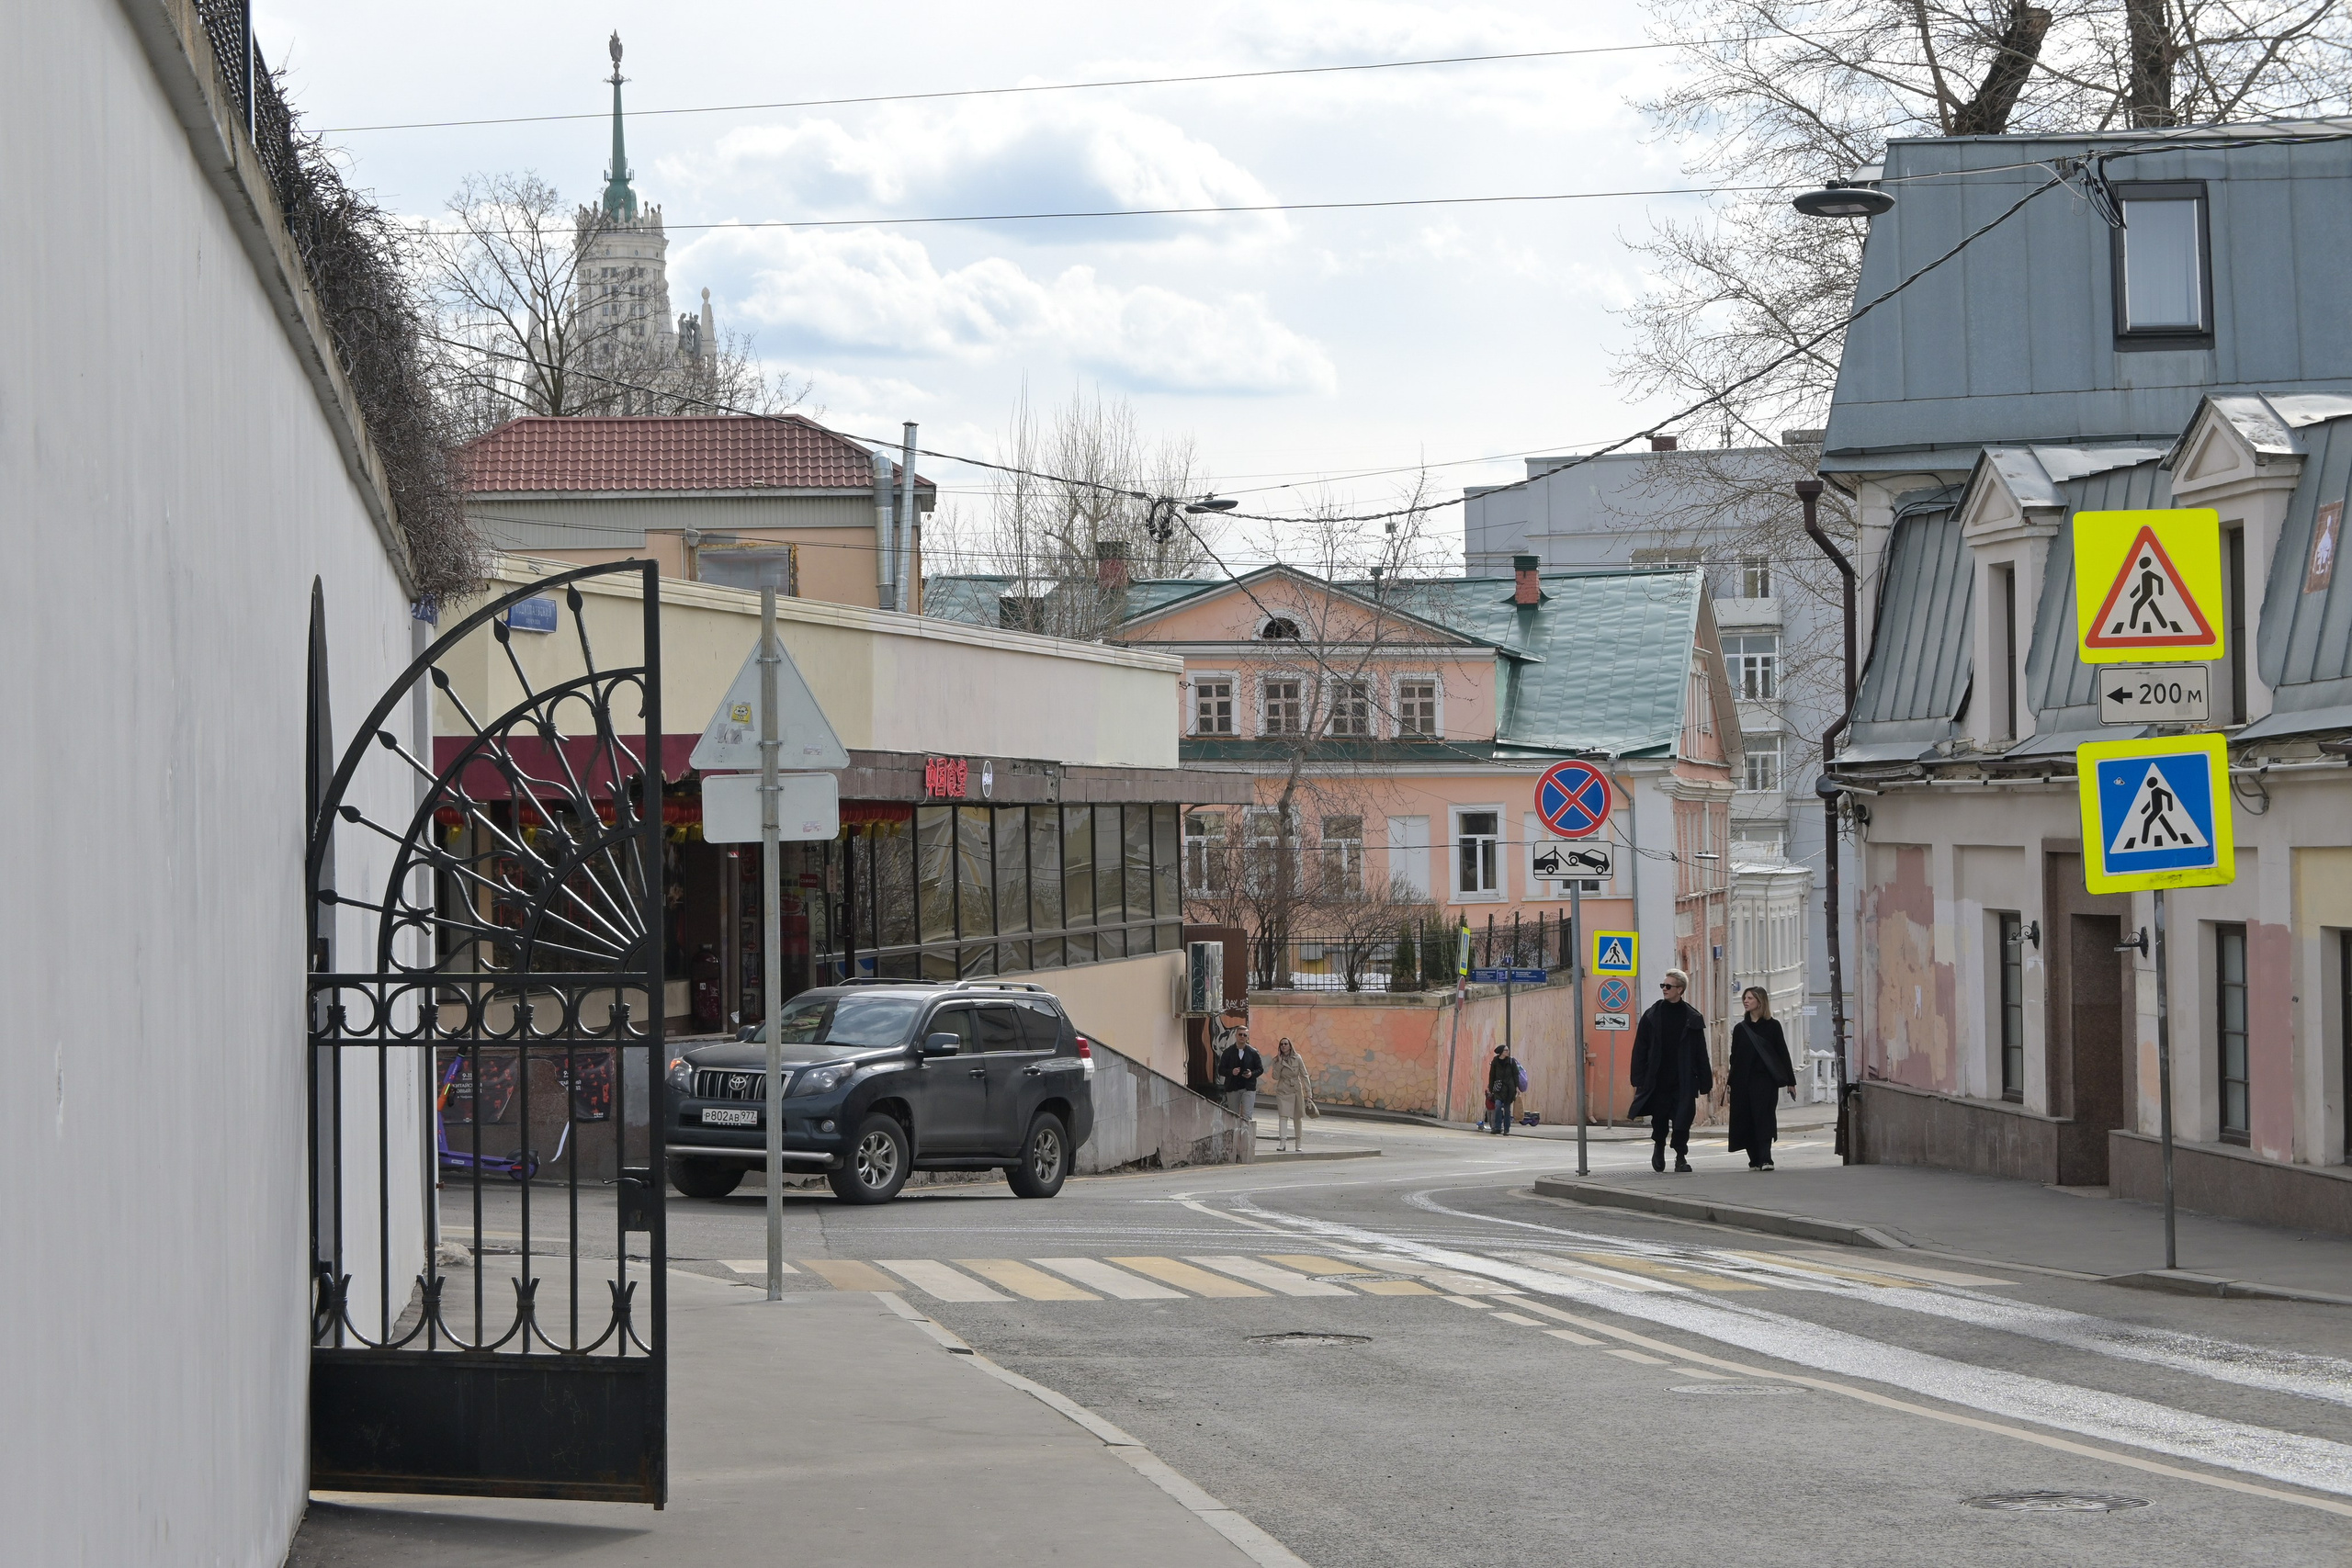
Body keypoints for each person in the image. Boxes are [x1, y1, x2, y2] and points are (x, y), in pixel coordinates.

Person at [1629, 969, 1712, 1173]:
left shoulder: (1692, 1018)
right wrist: (1638, 1077)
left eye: (1668, 986)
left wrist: (1705, 1081)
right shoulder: (1652, 1015)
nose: (1664, 990)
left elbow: (1701, 1052)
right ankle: (1659, 1146)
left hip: (1684, 1078)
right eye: (1663, 986)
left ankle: (1680, 1157)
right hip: (1658, 1078)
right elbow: (1640, 1048)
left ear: (1680, 990)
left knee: (1683, 1118)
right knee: (1660, 1117)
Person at [1727, 986, 1798, 1171]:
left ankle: (1766, 1159)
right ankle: (1754, 1160)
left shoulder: (1773, 1026)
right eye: (1745, 998)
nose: (1746, 1001)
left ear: (1760, 1001)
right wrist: (1729, 1084)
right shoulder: (1740, 1029)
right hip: (1742, 1082)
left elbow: (1783, 1053)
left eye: (1750, 998)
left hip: (1765, 1081)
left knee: (1764, 1117)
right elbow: (1734, 1058)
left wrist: (1791, 1081)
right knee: (1746, 1119)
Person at [1271, 1037, 1314, 1151]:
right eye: (1281, 1044)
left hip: (1295, 1089)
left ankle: (1298, 1143)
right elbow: (1275, 1076)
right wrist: (1279, 1063)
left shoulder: (1297, 1058)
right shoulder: (1276, 1060)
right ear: (1279, 1047)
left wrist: (1308, 1093)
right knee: (1283, 1116)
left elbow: (1304, 1075)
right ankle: (1282, 1143)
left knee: (1297, 1117)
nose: (1283, 1046)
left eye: (1286, 1044)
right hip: (1283, 1089)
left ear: (1290, 1046)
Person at [1218, 1024, 1265, 1123]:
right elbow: (1221, 1070)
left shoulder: (1253, 1052)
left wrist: (1251, 1074)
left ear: (1247, 1037)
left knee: (1247, 1116)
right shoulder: (1228, 1052)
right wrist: (1231, 1072)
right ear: (1236, 1035)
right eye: (1240, 1034)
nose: (1242, 1037)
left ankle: (1246, 1138)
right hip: (1232, 1087)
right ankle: (1234, 1137)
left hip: (1248, 1087)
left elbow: (1260, 1069)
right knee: (1233, 1115)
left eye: (1245, 1035)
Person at [1486, 1043, 1520, 1134]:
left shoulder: (1511, 1062)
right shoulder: (1495, 1062)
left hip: (1509, 1089)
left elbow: (1516, 1075)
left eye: (1508, 1050)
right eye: (1506, 1050)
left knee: (1507, 1110)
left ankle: (1506, 1129)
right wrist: (1491, 1088)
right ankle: (1497, 1127)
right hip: (1498, 1088)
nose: (1508, 1052)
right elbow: (1492, 1075)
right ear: (1501, 1052)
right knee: (1497, 1106)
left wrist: (1516, 1087)